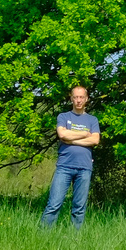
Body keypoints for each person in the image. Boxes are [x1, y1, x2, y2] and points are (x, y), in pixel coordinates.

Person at [40, 84, 99, 229]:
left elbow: (95, 140)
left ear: (86, 99)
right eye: (75, 97)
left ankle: (75, 241)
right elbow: (62, 134)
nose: (78, 100)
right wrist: (85, 134)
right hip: (64, 166)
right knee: (54, 204)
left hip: (84, 168)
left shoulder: (92, 120)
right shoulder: (64, 116)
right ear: (71, 99)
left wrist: (71, 140)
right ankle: (42, 237)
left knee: (79, 208)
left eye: (81, 97)